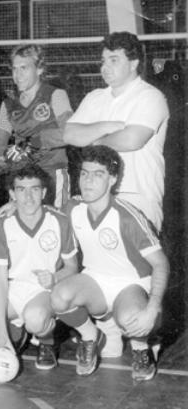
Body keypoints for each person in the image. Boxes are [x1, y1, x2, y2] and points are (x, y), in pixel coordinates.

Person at [50, 146, 168, 381]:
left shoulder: (127, 216)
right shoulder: (73, 208)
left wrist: (152, 307)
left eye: (98, 174)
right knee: (59, 297)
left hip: (132, 283)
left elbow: (161, 264)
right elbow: (45, 217)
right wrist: (15, 207)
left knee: (132, 319)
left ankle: (141, 349)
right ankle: (91, 336)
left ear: (112, 179)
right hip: (96, 280)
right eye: (84, 173)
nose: (88, 181)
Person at [0, 165, 77, 371]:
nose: (28, 197)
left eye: (35, 189)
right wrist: (0, 333)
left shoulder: (59, 221)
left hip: (44, 291)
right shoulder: (3, 224)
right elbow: (1, 281)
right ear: (12, 194)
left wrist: (55, 277)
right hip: (13, 289)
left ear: (44, 192)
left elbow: (73, 267)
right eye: (21, 190)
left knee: (35, 320)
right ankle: (13, 333)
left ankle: (47, 342)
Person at [64, 31, 168, 232]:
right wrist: (107, 126)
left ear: (134, 63)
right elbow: (70, 134)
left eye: (114, 60)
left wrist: (92, 140)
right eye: (103, 61)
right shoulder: (95, 97)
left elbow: (131, 140)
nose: (105, 67)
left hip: (137, 195)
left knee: (138, 263)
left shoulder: (150, 97)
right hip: (98, 195)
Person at [0, 44, 73, 207]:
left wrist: (34, 142)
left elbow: (70, 132)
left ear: (39, 69)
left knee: (57, 225)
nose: (17, 75)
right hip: (22, 178)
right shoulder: (7, 105)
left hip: (53, 174)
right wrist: (3, 155)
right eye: (14, 69)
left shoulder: (56, 95)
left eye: (24, 68)